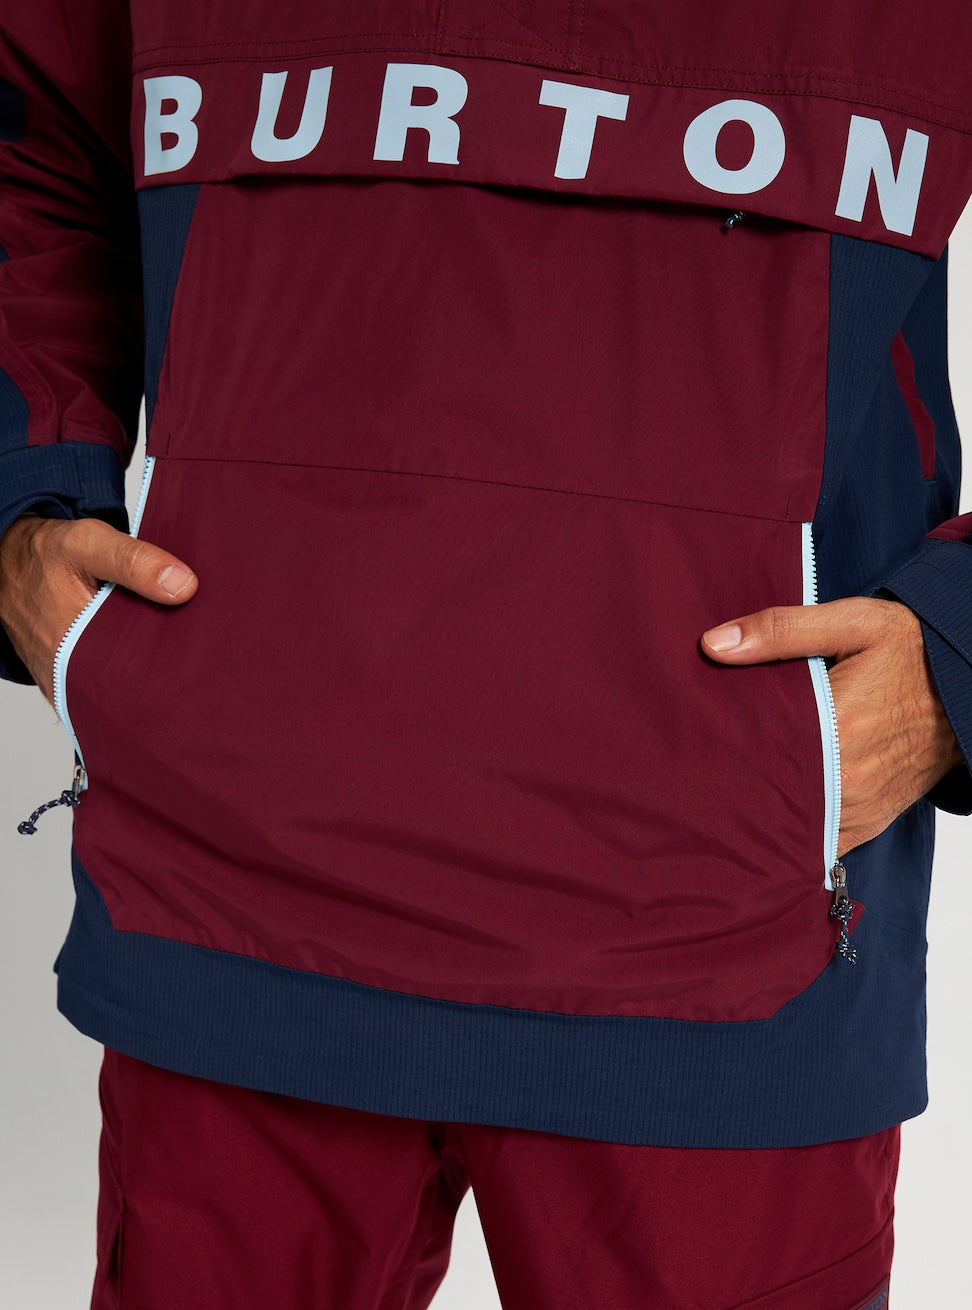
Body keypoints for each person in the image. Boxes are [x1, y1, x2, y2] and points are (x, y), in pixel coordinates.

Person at [2, 3, 971, 1307]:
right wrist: (24, 495)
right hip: (232, 884)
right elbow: (31, 138)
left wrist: (959, 646)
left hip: (727, 929)